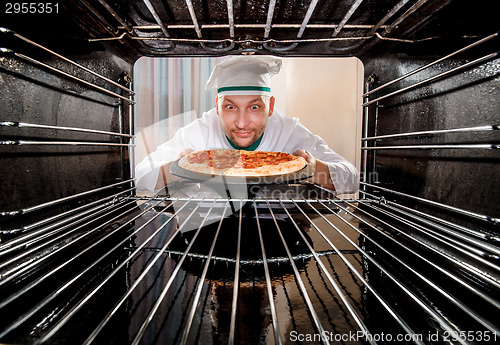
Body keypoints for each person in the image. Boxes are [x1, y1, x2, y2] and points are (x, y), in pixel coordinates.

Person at [135, 55, 359, 194]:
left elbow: (352, 178)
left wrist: (310, 168)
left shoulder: (289, 130)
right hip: (212, 227)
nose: (241, 123)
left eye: (255, 107)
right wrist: (179, 168)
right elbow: (141, 175)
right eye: (230, 107)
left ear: (270, 106)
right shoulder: (201, 129)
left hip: (278, 227)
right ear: (217, 106)